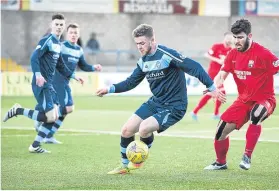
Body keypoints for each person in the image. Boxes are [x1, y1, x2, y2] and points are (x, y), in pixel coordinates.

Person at [96, 24, 226, 175]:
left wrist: (212, 87)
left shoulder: (166, 54)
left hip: (175, 106)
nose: (139, 47)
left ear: (152, 40)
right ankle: (125, 167)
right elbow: (131, 82)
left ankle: (138, 160)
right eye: (137, 43)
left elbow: (194, 66)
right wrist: (109, 89)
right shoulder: (143, 61)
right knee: (126, 130)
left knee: (144, 128)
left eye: (142, 43)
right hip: (156, 102)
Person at [204, 19, 279, 171]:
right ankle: (220, 162)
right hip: (243, 100)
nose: (237, 41)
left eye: (240, 37)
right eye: (235, 37)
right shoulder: (232, 54)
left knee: (256, 114)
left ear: (250, 36)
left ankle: (247, 156)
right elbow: (221, 74)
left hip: (265, 99)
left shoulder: (263, 53)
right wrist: (216, 86)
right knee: (220, 131)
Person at [2, 13, 84, 153]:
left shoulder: (58, 44)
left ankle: (35, 146)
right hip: (41, 83)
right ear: (51, 25)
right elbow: (34, 57)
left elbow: (61, 66)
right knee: (51, 116)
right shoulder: (46, 40)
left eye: (61, 25)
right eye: (56, 24)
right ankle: (18, 111)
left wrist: (73, 76)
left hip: (49, 84)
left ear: (64, 27)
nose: (58, 27)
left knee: (53, 116)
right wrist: (38, 74)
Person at [38, 23, 102, 144]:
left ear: (78, 35)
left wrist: (94, 67)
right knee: (65, 108)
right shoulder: (61, 46)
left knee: (68, 108)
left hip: (65, 82)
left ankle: (46, 129)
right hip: (56, 81)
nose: (73, 35)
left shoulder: (79, 50)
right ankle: (45, 125)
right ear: (67, 34)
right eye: (71, 32)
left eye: (75, 33)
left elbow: (83, 65)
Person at [191, 32, 233, 121]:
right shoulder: (217, 46)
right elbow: (207, 55)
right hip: (213, 73)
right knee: (221, 92)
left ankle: (195, 112)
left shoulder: (231, 50)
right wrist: (218, 60)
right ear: (224, 38)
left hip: (221, 74)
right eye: (227, 38)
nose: (229, 40)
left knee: (212, 93)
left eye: (231, 38)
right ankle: (215, 114)